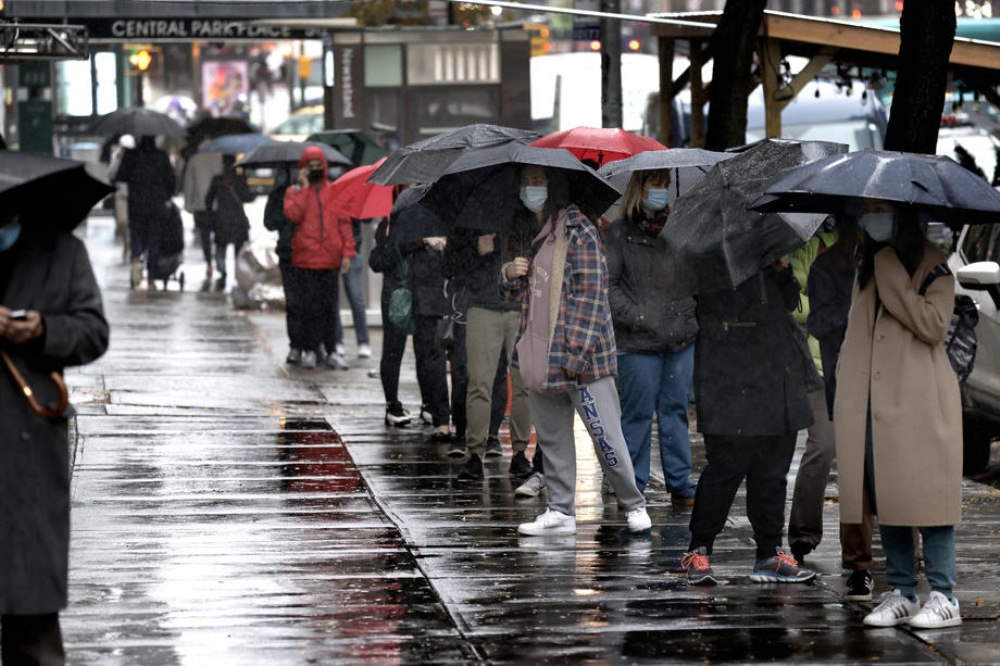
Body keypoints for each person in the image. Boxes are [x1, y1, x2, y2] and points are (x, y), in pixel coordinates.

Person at [834, 201, 963, 629]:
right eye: (866, 210)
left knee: (928, 500)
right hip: (872, 403)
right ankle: (902, 590)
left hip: (921, 402)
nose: (872, 217)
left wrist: (889, 267)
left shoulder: (933, 265)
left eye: (880, 209)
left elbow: (933, 325)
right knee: (885, 497)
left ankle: (944, 594)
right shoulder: (867, 266)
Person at [504, 164, 650, 536]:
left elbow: (590, 298)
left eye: (538, 182)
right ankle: (560, 510)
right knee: (552, 440)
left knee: (606, 437)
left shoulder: (580, 230)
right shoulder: (543, 235)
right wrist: (510, 276)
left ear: (555, 186)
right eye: (525, 183)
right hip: (541, 357)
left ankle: (633, 504)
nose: (530, 189)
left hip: (581, 362)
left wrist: (576, 356)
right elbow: (532, 299)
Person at [1, 214, 110, 664]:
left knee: (32, 613)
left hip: (27, 448)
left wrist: (43, 329)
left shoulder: (62, 252)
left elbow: (93, 331)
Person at [680, 258, 820, 585]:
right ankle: (699, 549)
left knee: (772, 470)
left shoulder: (770, 247)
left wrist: (782, 271)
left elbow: (789, 303)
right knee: (726, 466)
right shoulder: (711, 253)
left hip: (775, 373)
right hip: (729, 376)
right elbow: (705, 308)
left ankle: (769, 553)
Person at [789, 217, 877, 601]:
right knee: (823, 447)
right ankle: (803, 534)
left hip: (871, 374)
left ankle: (889, 546)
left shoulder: (881, 258)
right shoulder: (818, 252)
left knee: (872, 463)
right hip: (820, 371)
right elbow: (799, 305)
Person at [605, 168, 698, 506]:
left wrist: (686, 314)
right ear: (639, 188)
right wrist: (640, 316)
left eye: (664, 184)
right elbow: (610, 286)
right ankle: (633, 485)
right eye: (654, 184)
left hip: (678, 338)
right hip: (636, 342)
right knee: (638, 414)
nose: (660, 191)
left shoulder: (678, 231)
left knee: (675, 411)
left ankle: (680, 481)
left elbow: (693, 279)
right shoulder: (618, 234)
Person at [443, 210, 535, 481]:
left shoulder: (529, 217)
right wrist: (475, 249)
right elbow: (449, 266)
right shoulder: (468, 217)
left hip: (521, 307)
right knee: (479, 383)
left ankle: (520, 453)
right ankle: (475, 454)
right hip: (482, 306)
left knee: (523, 385)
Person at [283, 146, 356, 370]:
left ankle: (331, 349)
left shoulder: (334, 191)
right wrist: (304, 189)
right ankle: (310, 349)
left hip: (330, 259)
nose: (315, 170)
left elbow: (344, 223)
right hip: (306, 259)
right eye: (310, 166)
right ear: (303, 169)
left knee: (329, 307)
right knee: (309, 307)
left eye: (318, 166)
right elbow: (294, 215)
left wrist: (347, 252)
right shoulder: (293, 192)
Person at [114, 134, 175, 290]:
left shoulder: (131, 155)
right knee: (154, 239)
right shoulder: (161, 156)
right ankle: (151, 277)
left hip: (136, 203)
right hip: (156, 204)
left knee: (136, 234)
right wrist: (166, 196)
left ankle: (135, 259)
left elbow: (120, 176)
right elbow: (171, 180)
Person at [263, 167, 304, 364]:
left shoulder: (312, 191)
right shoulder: (279, 194)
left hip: (311, 253)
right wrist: (285, 213)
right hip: (288, 252)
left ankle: (314, 345)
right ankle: (296, 345)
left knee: (313, 302)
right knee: (294, 301)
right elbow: (269, 222)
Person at [205, 154, 255, 289]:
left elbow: (208, 201)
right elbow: (248, 197)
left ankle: (223, 274)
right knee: (238, 253)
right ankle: (237, 277)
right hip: (238, 221)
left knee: (221, 250)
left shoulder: (217, 180)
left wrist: (213, 215)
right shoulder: (240, 179)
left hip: (221, 221)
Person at [182, 145, 224, 280]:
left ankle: (209, 264)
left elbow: (189, 184)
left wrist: (188, 204)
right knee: (219, 236)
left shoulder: (194, 160)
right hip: (218, 205)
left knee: (205, 237)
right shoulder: (220, 158)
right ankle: (219, 262)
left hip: (201, 205)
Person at [333, 217, 373, 360]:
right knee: (333, 299)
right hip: (332, 249)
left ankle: (363, 341)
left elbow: (368, 218)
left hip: (353, 250)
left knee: (356, 297)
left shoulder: (355, 196)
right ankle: (337, 340)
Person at [105, 133, 135, 262]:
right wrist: (117, 160)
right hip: (120, 194)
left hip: (134, 194)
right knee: (122, 221)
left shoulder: (137, 157)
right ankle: (127, 243)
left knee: (133, 223)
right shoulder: (116, 156)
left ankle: (133, 245)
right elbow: (110, 174)